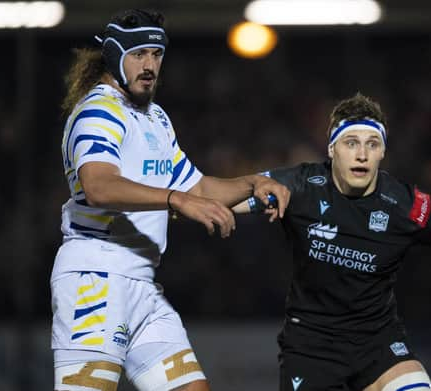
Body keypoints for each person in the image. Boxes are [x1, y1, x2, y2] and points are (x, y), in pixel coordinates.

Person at [52, 9, 289, 391]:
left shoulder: (155, 118)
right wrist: (175, 200)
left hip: (143, 285)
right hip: (95, 278)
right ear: (114, 56)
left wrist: (254, 184)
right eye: (138, 54)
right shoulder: (99, 111)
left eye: (156, 54)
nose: (150, 65)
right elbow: (99, 187)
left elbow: (196, 190)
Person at [234, 93, 431, 391]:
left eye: (372, 144)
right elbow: (227, 200)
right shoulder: (298, 186)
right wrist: (184, 201)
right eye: (351, 143)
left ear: (382, 151)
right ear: (332, 149)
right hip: (311, 347)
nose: (362, 154)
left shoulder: (406, 204)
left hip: (377, 342)